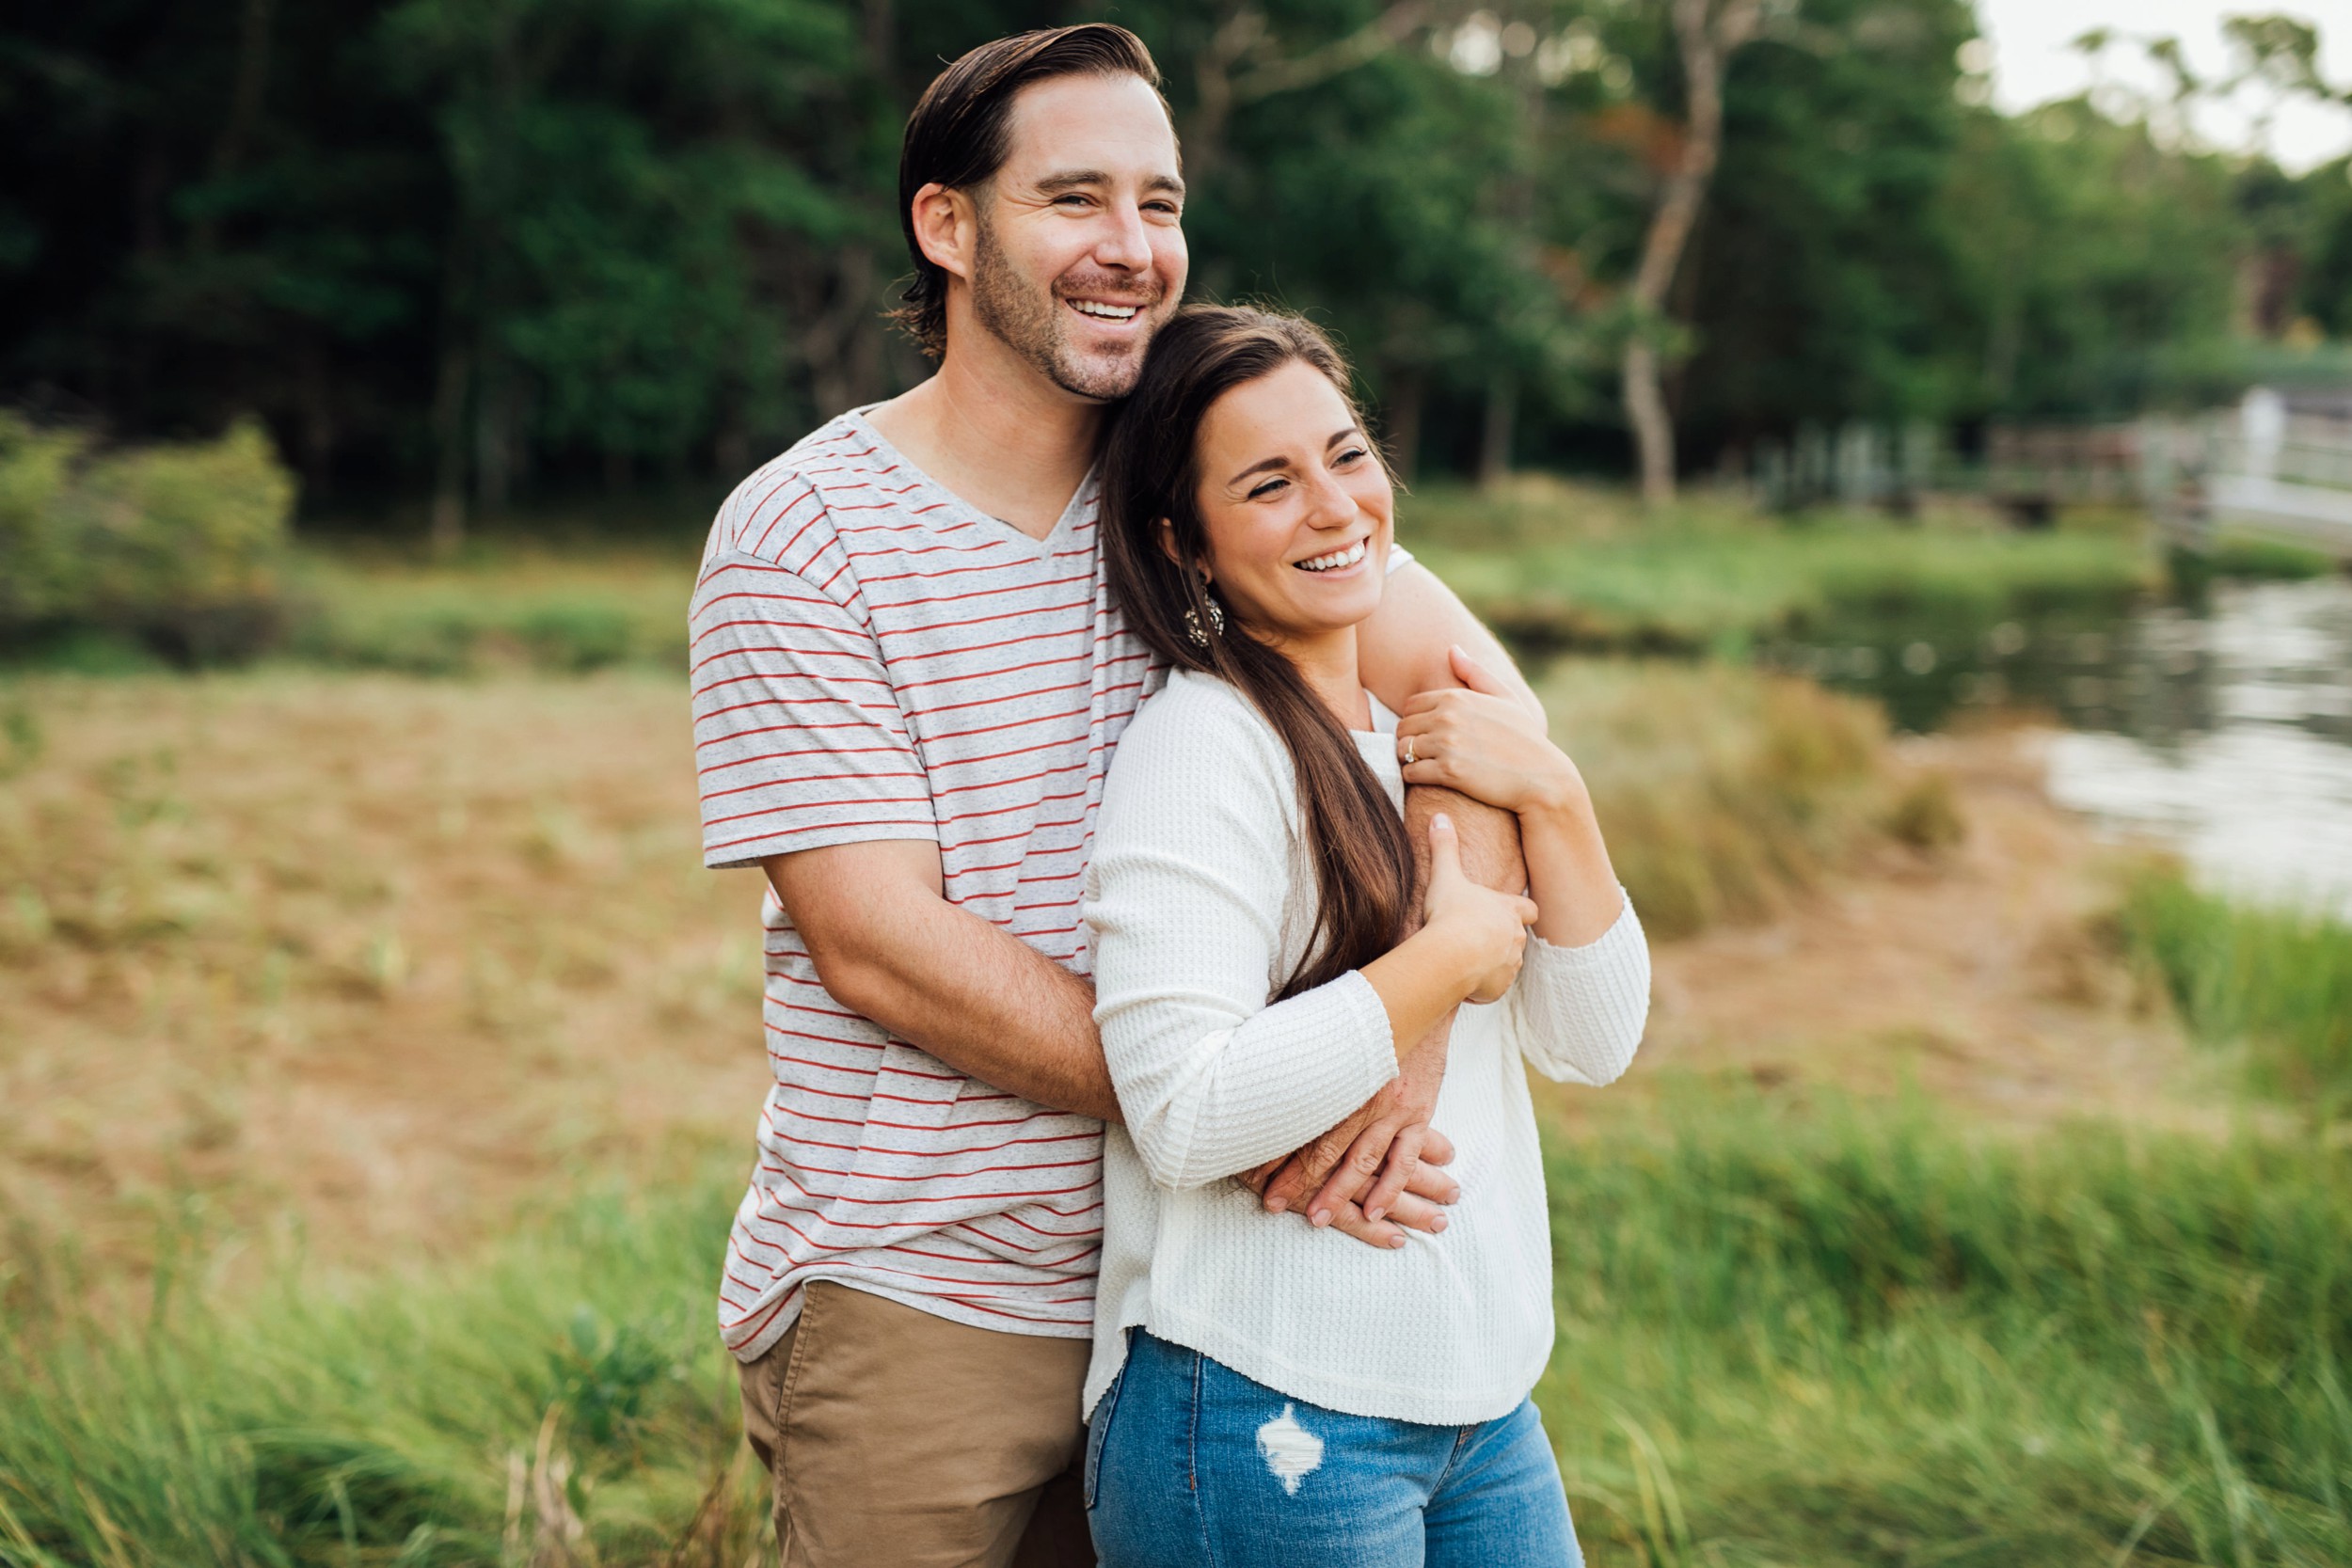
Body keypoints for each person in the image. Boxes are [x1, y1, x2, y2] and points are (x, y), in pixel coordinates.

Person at [689, 24, 1545, 1568]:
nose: (1131, 249)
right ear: (946, 226)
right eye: (1074, 199)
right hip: (933, 1292)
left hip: (1207, 1292)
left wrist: (1401, 1028)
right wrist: (1260, 1106)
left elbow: (1477, 711)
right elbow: (878, 944)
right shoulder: (803, 537)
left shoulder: (1199, 486)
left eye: (1160, 203)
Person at [1079, 305, 1650, 1565]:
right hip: (1260, 1408)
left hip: (1484, 1409)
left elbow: (1593, 1040)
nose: (1336, 508)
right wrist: (1440, 964)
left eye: (1346, 455)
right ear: (1187, 542)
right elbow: (1181, 1112)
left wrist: (1555, 791)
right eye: (1269, 484)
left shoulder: (1439, 746)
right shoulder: (1204, 747)